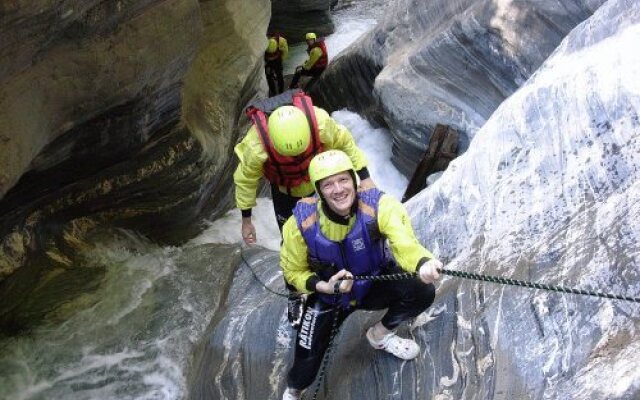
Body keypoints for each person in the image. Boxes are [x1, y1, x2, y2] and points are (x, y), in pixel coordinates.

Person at [278, 150, 443, 400]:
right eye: (328, 184)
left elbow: (404, 242)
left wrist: (422, 263)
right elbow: (293, 272)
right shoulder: (299, 224)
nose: (338, 189)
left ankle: (379, 336)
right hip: (328, 295)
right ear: (318, 191)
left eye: (343, 180)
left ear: (354, 180)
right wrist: (322, 286)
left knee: (422, 290)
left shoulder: (379, 205)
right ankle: (294, 392)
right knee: (306, 361)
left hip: (373, 282)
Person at [233, 90, 374, 327]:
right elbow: (245, 179)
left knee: (336, 232)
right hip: (286, 193)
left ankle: (344, 280)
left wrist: (364, 176)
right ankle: (295, 293)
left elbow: (345, 142)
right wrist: (247, 218)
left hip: (320, 185)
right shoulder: (256, 144)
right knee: (291, 244)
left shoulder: (318, 122)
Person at [265, 33, 288, 97]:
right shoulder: (265, 42)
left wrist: (281, 61)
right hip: (270, 60)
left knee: (278, 75)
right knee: (270, 75)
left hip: (277, 59)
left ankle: (279, 91)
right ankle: (274, 91)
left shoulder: (282, 41)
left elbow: (285, 52)